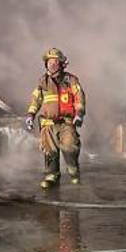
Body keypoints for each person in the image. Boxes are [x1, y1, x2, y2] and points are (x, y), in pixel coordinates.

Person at [25, 48, 86, 189]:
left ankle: (73, 171)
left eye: (55, 62)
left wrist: (79, 114)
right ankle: (51, 175)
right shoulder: (43, 81)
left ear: (62, 64)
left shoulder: (71, 80)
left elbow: (79, 97)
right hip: (48, 123)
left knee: (70, 146)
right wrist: (30, 115)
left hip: (66, 122)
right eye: (49, 62)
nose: (52, 65)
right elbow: (36, 100)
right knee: (49, 150)